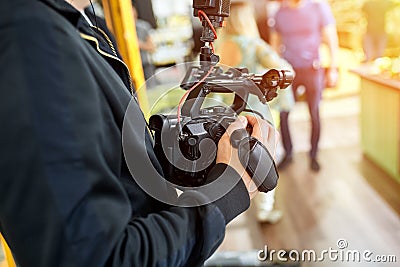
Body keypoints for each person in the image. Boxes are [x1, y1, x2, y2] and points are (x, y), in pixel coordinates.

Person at [0, 0, 278, 266]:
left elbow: (103, 162)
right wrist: (221, 196)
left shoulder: (79, 24)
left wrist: (171, 156)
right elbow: (98, 259)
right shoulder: (31, 40)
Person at [215, 0, 294, 223]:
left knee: (231, 158)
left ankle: (229, 211)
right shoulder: (253, 45)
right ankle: (265, 210)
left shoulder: (222, 47)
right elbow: (284, 70)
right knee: (263, 158)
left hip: (229, 113)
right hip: (255, 112)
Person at [270, 0, 339, 171]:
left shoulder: (318, 6)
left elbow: (331, 37)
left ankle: (314, 155)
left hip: (313, 69)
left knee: (314, 113)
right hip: (288, 71)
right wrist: (273, 70)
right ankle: (289, 154)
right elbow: (275, 43)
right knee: (284, 113)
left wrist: (333, 68)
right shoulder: (280, 12)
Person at [132, 5, 157, 85]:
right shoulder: (123, 30)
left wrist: (137, 44)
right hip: (131, 67)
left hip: (146, 65)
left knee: (152, 90)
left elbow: (152, 47)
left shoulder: (144, 26)